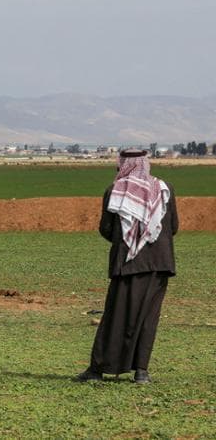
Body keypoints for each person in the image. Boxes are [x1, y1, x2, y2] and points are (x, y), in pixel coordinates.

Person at [78, 149, 178, 384]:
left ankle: (98, 369)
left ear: (122, 165)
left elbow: (106, 228)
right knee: (148, 317)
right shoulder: (165, 189)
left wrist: (129, 243)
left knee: (115, 315)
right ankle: (141, 372)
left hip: (128, 263)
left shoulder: (115, 191)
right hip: (159, 263)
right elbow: (172, 226)